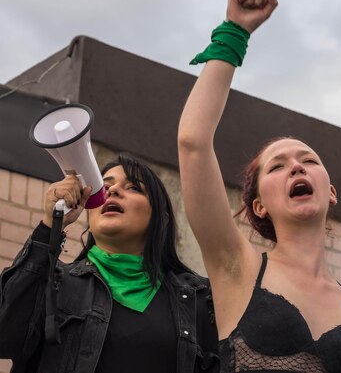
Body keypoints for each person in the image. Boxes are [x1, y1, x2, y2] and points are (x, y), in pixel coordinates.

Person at [178, 0, 341, 373]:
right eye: (277, 166)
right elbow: (192, 143)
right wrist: (235, 32)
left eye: (308, 160)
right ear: (259, 205)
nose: (296, 167)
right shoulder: (237, 266)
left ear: (331, 192)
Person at [0, 153, 218, 373]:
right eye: (103, 187)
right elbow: (6, 337)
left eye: (133, 187)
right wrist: (49, 225)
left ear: (161, 218)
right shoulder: (53, 282)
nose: (112, 191)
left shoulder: (197, 300)